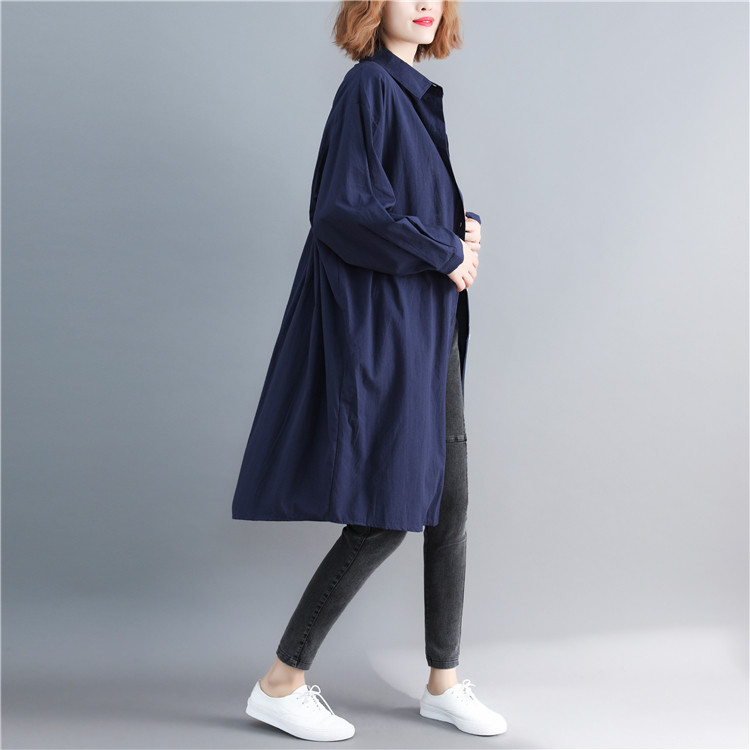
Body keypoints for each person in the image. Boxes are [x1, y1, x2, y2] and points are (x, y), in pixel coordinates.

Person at [233, 0, 507, 741]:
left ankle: (443, 682)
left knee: (449, 505)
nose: (424, 4)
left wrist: (460, 231)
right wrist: (444, 250)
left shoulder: (414, 96)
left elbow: (401, 208)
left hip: (429, 331)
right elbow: (344, 211)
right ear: (371, 6)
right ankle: (280, 681)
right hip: (390, 332)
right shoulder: (370, 87)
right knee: (389, 510)